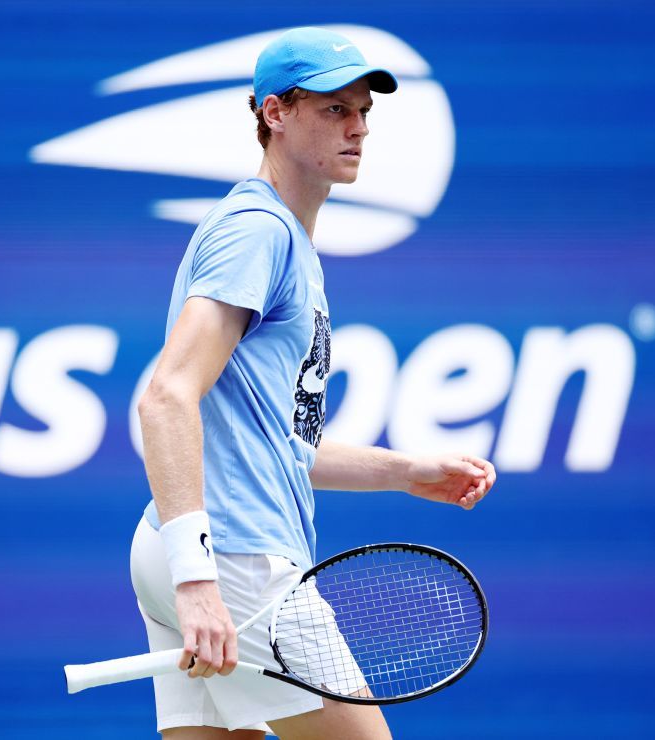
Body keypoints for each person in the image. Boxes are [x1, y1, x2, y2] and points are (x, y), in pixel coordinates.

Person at [130, 27, 496, 739]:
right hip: (237, 561)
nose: (357, 126)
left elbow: (270, 438)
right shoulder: (257, 232)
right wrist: (201, 579)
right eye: (334, 109)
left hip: (190, 550)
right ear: (274, 113)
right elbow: (167, 396)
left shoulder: (283, 238)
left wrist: (405, 470)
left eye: (363, 111)